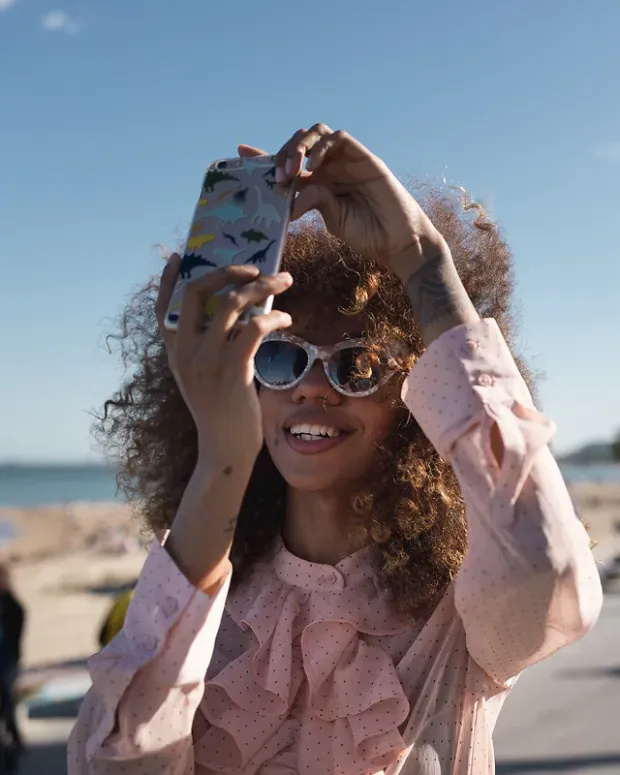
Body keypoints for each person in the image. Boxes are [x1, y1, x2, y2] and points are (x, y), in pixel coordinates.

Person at [68, 125, 602, 774]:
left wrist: (424, 261)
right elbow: (113, 761)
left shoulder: (460, 615)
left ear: (416, 394)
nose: (314, 388)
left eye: (357, 365)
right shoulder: (205, 609)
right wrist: (221, 458)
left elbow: (549, 564)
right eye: (281, 356)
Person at [0, 566, 25, 757]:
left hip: (7, 660)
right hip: (8, 659)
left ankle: (14, 740)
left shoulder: (11, 605)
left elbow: (18, 625)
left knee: (7, 700)